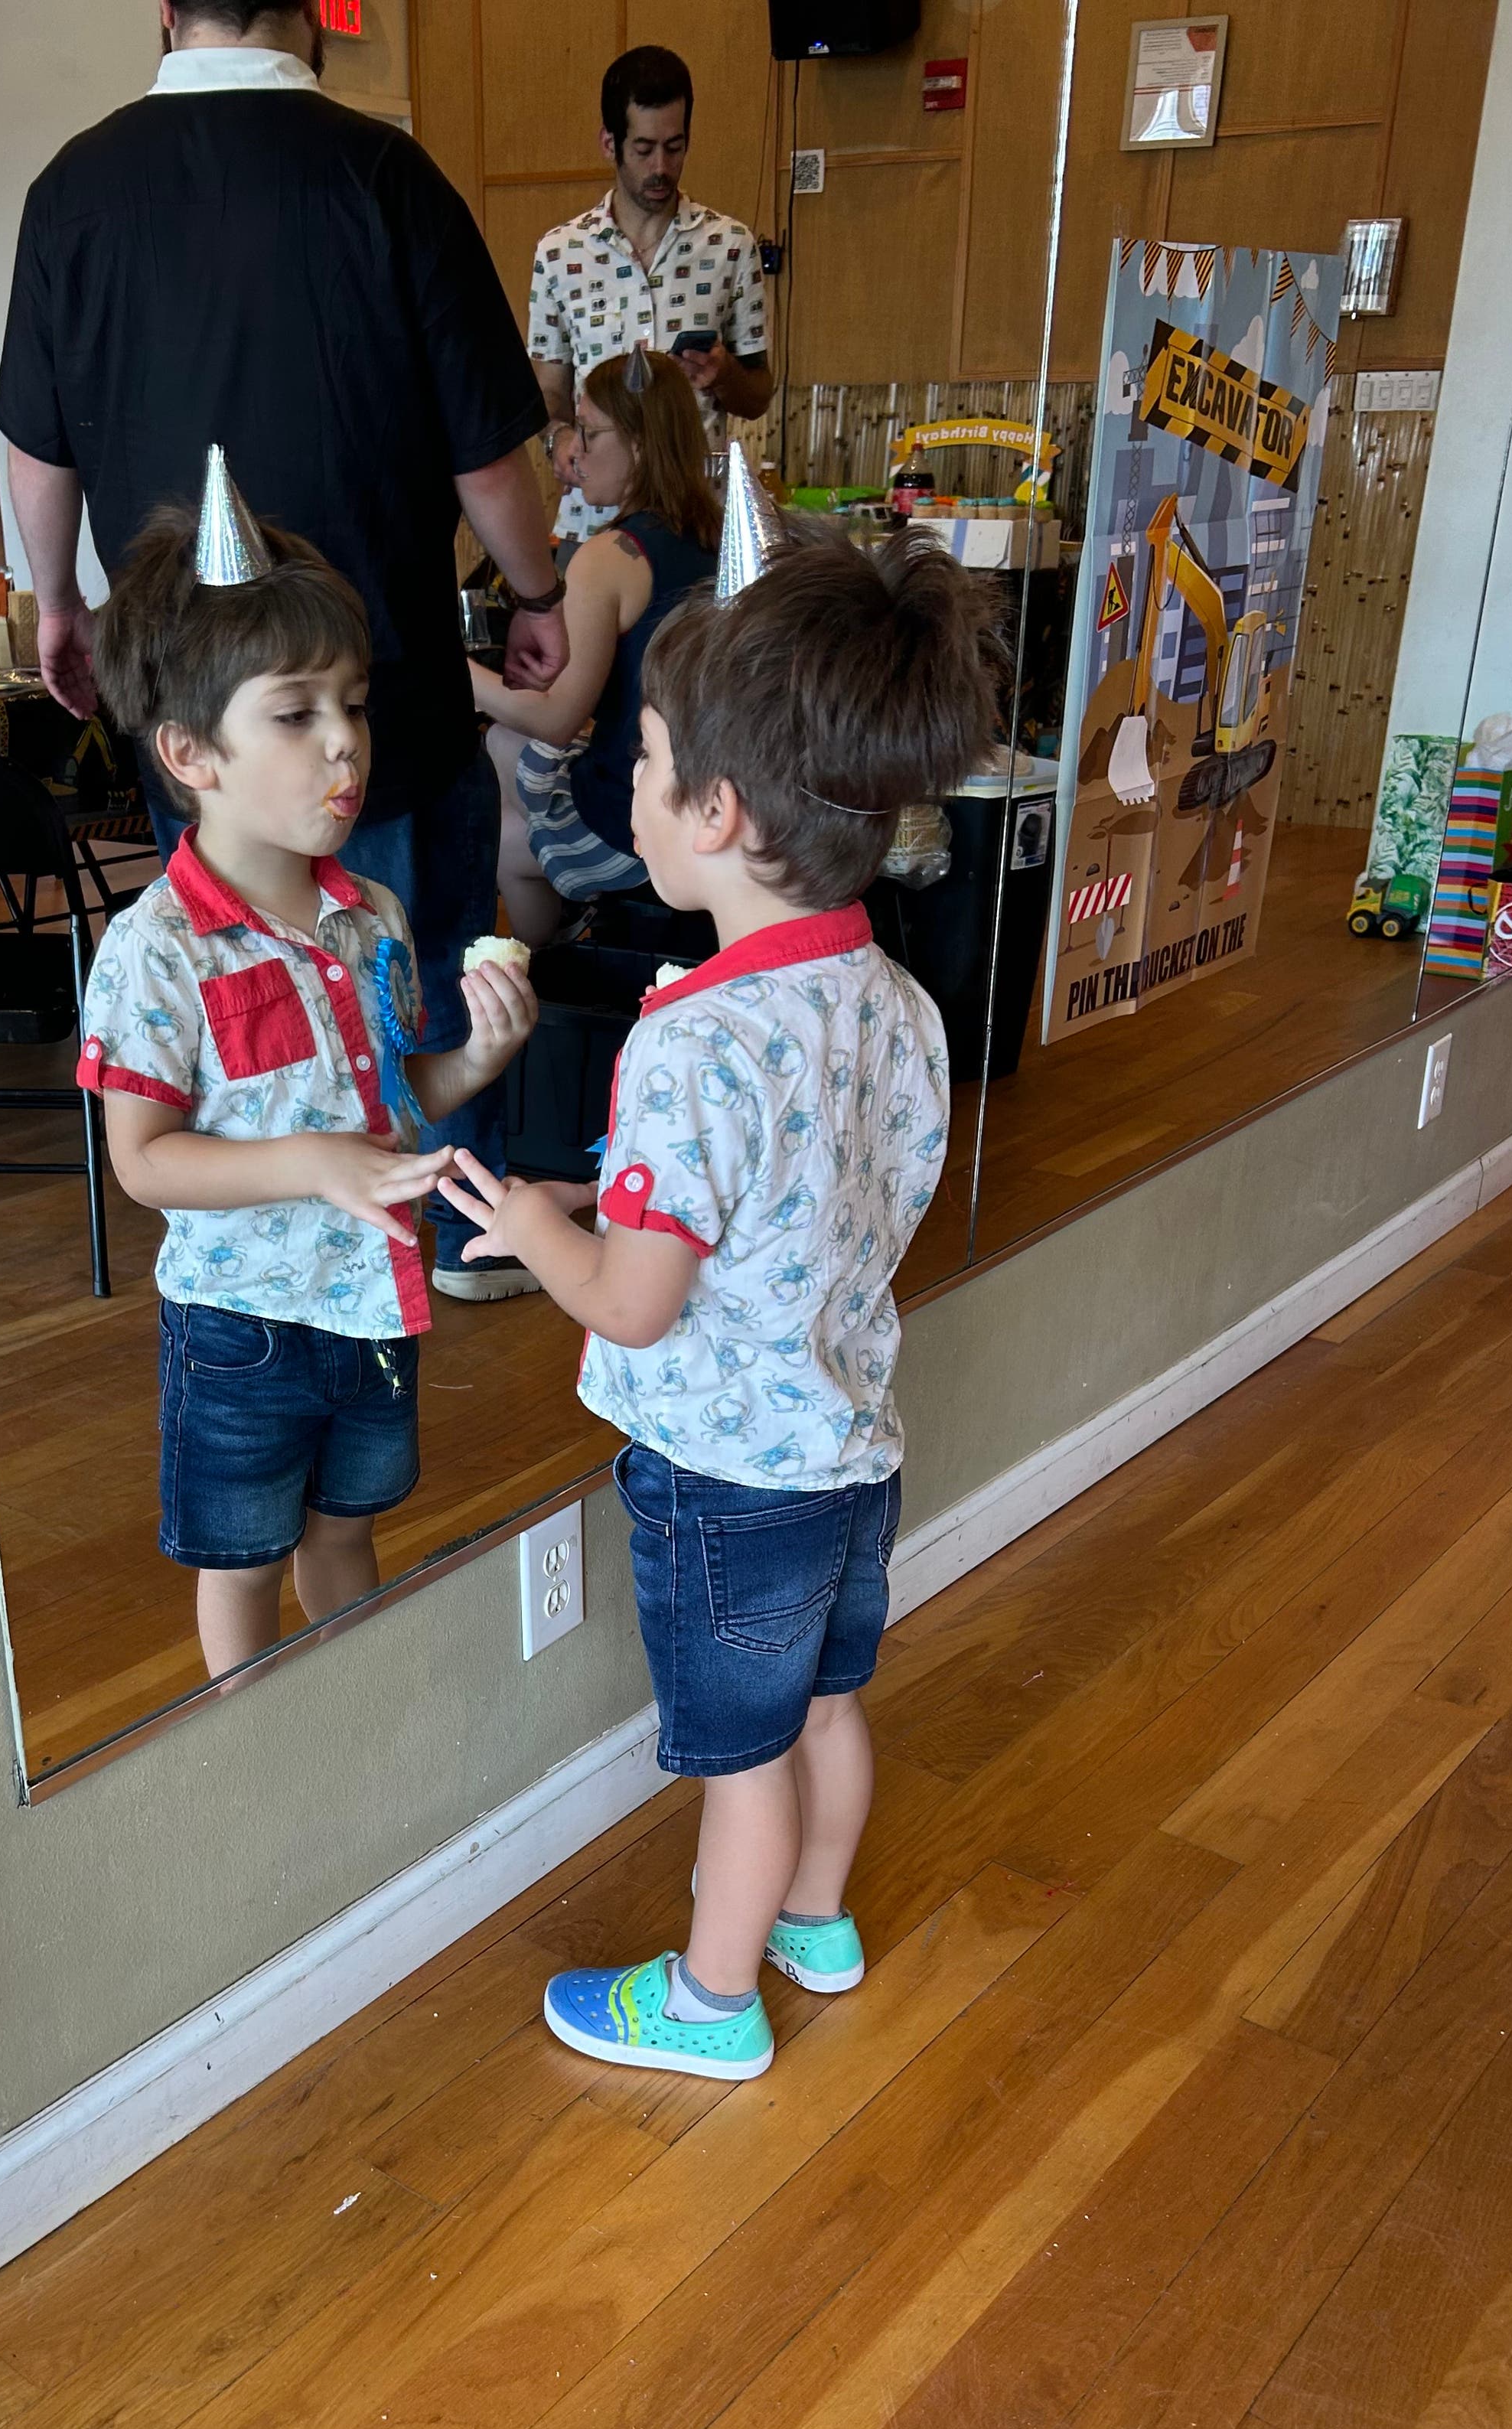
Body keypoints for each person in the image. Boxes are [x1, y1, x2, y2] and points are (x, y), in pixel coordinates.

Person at [438, 525, 1001, 2082]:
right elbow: (816, 1201)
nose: (627, 782)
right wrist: (613, 1206)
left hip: (727, 1482)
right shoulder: (894, 1002)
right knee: (828, 1707)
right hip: (851, 1453)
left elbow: (632, 1308)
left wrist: (528, 1229)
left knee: (742, 1759)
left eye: (645, 758)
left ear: (719, 813)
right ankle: (817, 1924)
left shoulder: (693, 1039)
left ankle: (710, 2000)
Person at [0, 0, 564, 1301]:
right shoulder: (384, 174)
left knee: (231, 970)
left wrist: (60, 601)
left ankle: (288, 1255)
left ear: (165, 11)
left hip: (195, 695)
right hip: (386, 682)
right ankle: (456, 1235)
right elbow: (486, 452)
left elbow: (40, 442)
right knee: (411, 974)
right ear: (311, 11)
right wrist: (536, 591)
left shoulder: (72, 190)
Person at [77, 478, 536, 1682]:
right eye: (295, 713)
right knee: (241, 1561)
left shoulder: (373, 916)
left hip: (374, 1306)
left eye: (353, 704)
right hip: (241, 1327)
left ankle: (351, 1716)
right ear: (191, 754)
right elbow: (143, 1160)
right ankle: (258, 1741)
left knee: (346, 1533)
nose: (344, 741)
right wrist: (309, 1164)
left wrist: (474, 1059)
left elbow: (391, 1108)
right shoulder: (158, 950)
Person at [471, 349, 719, 944]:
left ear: (640, 444)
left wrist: (456, 673)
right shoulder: (714, 533)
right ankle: (578, 923)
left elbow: (557, 720)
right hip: (713, 792)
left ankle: (549, 966)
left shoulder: (610, 557)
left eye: (588, 431)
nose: (573, 452)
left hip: (636, 809)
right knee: (504, 745)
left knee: (503, 835)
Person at [527, 45, 773, 543]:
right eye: (643, 149)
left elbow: (758, 395)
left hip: (699, 528)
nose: (661, 166)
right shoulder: (559, 253)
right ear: (609, 143)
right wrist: (559, 438)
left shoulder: (730, 245)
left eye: (674, 147)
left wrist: (724, 374)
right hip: (592, 528)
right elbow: (547, 395)